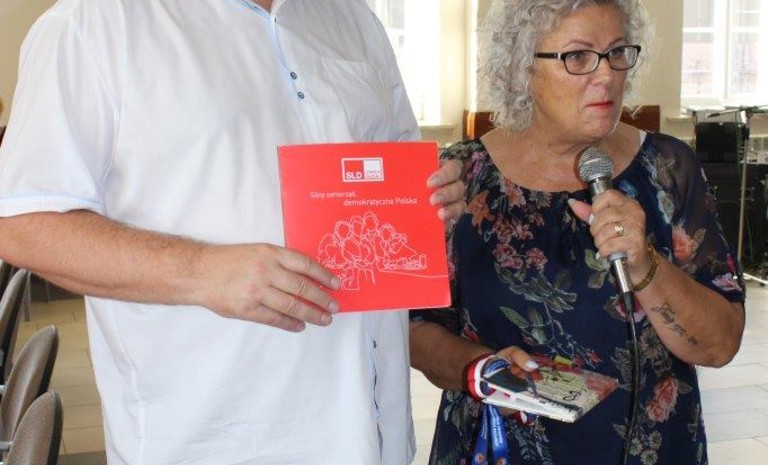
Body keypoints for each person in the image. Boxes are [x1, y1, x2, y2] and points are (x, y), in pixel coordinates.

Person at [0, 0, 465, 464]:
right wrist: (202, 270)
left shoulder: (353, 18)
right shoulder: (94, 24)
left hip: (375, 431)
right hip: (219, 440)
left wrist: (432, 197)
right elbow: (22, 224)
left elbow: (398, 167)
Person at [409, 1, 746, 464]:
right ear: (523, 66)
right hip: (500, 447)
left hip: (647, 448)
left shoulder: (668, 169)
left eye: (617, 52)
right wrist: (480, 369)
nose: (606, 75)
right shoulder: (460, 178)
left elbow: (720, 344)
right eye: (578, 56)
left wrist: (645, 265)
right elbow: (413, 325)